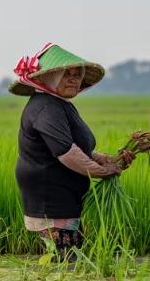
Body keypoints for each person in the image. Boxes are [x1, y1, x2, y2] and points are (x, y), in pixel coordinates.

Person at [9, 43, 135, 261]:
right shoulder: (46, 107)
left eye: (77, 75)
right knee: (63, 263)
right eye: (66, 74)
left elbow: (79, 148)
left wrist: (107, 160)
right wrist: (104, 171)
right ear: (48, 77)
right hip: (50, 197)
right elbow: (67, 153)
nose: (73, 79)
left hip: (64, 195)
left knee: (69, 260)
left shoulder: (60, 104)